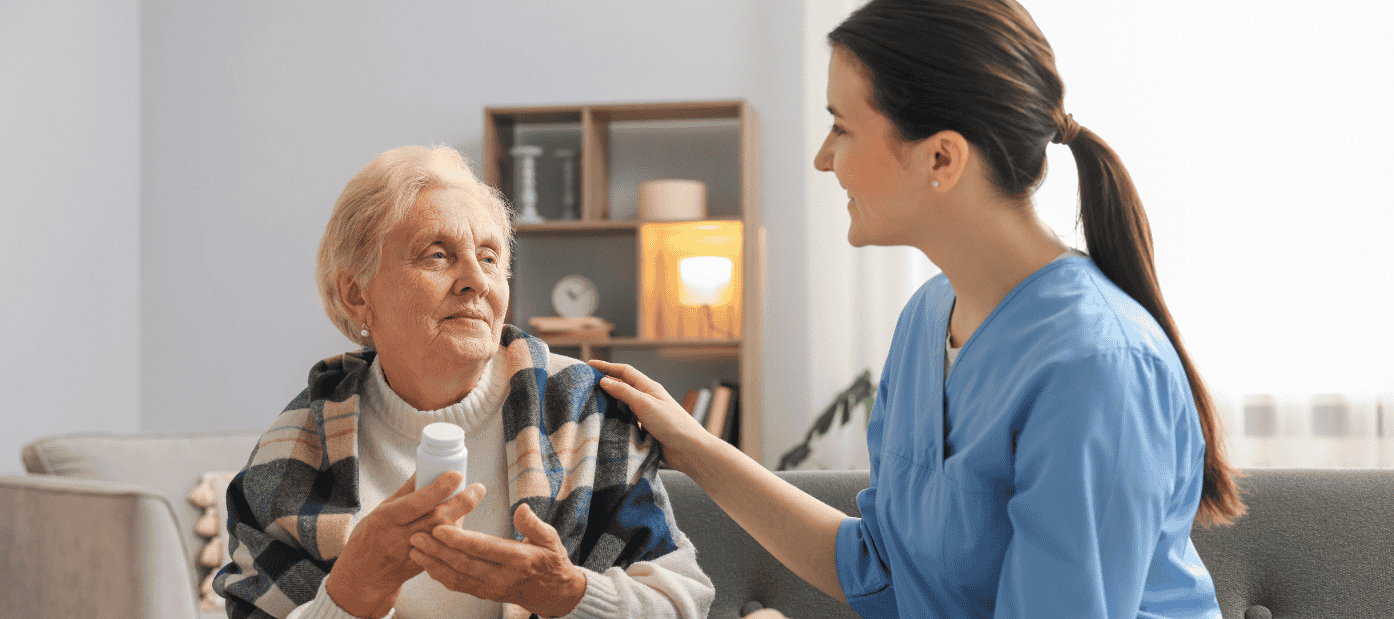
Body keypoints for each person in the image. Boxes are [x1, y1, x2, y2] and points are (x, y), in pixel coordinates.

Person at [589, 0, 1246, 617]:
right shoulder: (928, 319)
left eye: (842, 127)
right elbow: (882, 567)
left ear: (941, 156)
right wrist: (694, 446)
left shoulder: (1095, 366)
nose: (823, 159)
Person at [213, 145, 713, 619]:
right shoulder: (296, 448)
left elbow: (684, 602)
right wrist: (348, 597)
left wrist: (572, 595)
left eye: (491, 258)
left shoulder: (581, 411)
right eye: (437, 254)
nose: (477, 280)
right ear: (356, 294)